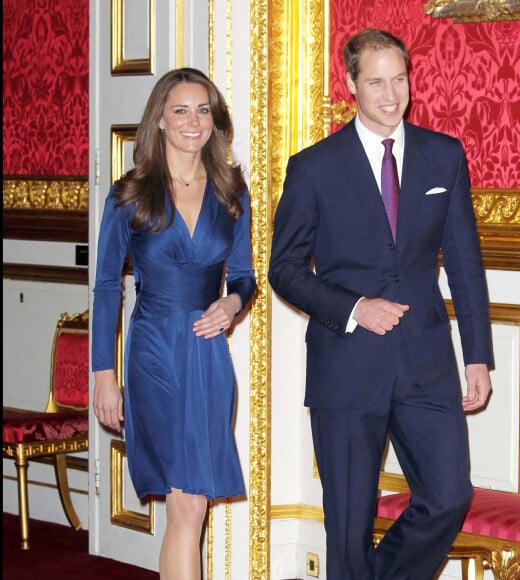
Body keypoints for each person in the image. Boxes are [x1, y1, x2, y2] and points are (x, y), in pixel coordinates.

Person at [268, 28, 494, 579]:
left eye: (400, 79)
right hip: (346, 363)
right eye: (376, 82)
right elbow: (284, 270)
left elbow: (464, 263)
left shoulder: (444, 156)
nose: (392, 95)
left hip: (426, 362)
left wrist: (478, 355)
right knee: (347, 527)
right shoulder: (313, 167)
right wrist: (353, 308)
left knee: (447, 496)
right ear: (351, 84)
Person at [92, 68, 256, 580]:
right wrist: (103, 375)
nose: (194, 121)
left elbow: (247, 275)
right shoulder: (129, 193)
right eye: (181, 109)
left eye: (203, 109)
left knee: (192, 506)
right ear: (159, 119)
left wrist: (231, 306)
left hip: (208, 358)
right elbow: (105, 288)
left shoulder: (232, 190)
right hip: (154, 351)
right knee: (186, 504)